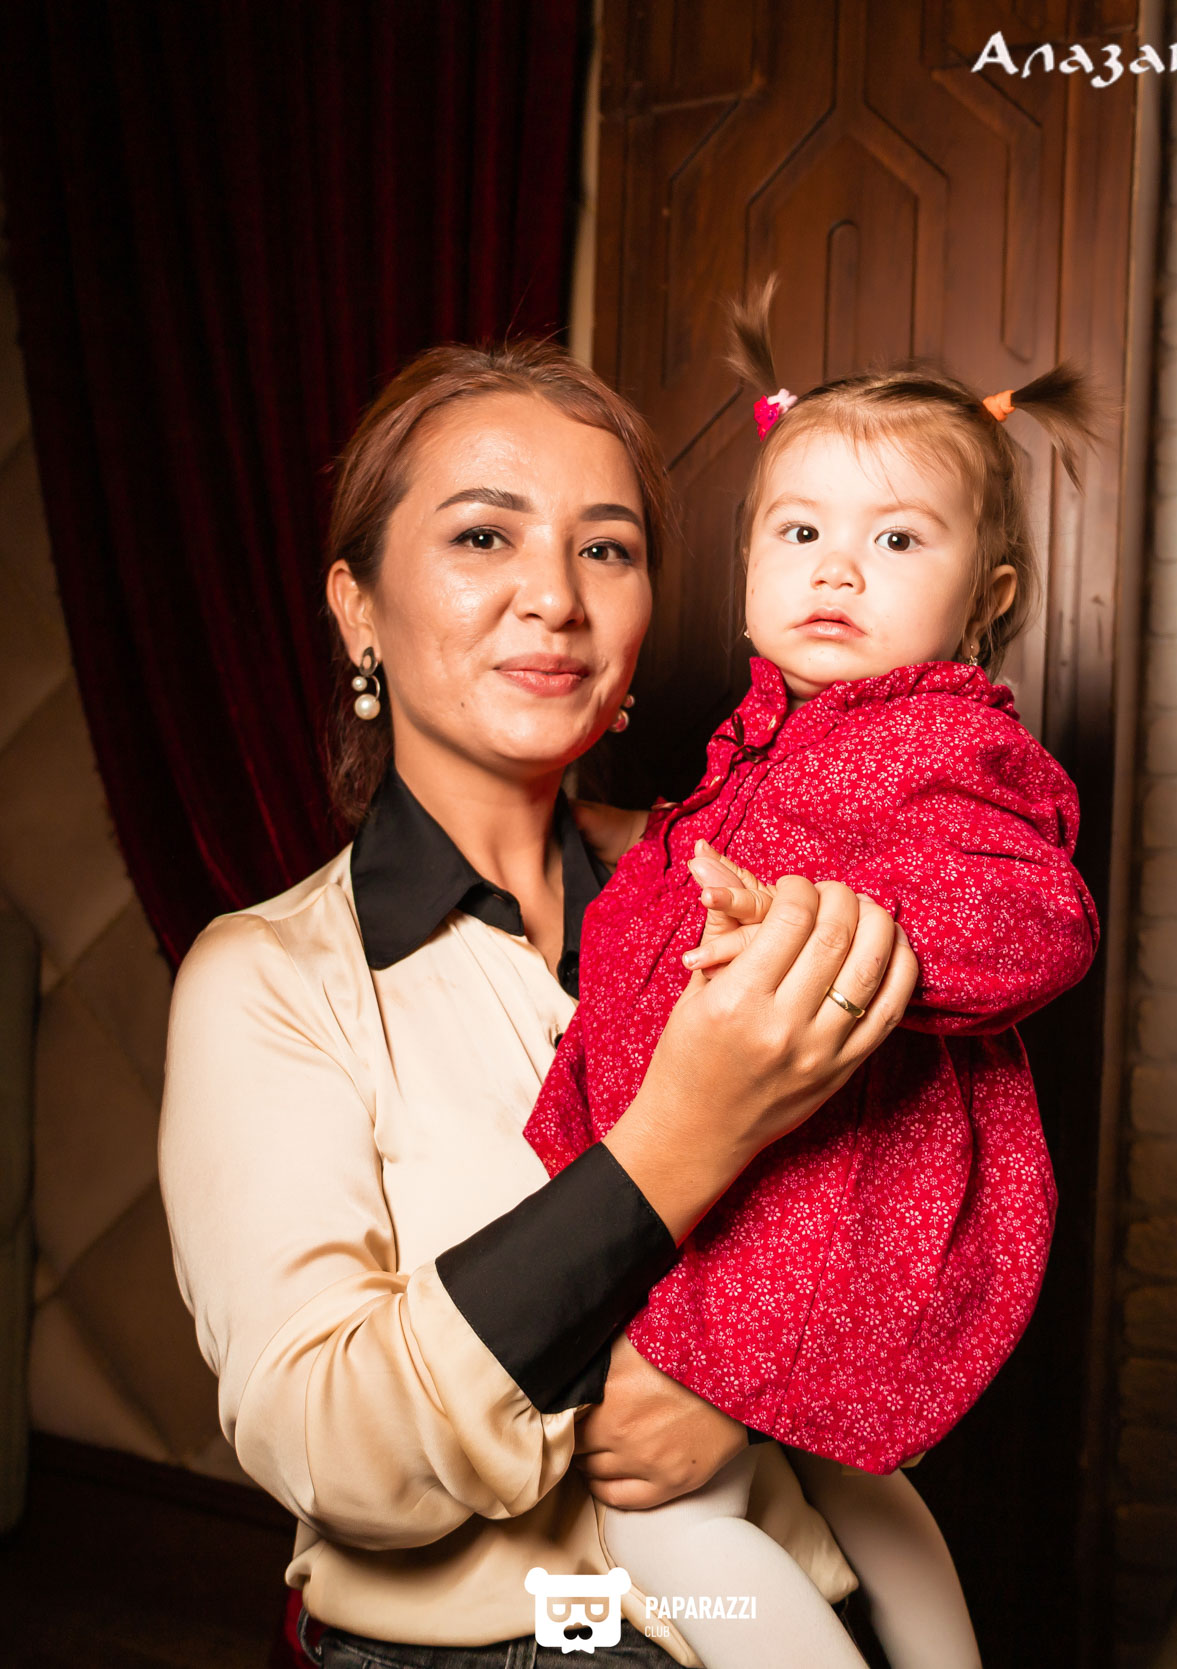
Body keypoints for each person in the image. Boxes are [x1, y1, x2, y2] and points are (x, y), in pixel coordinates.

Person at [157, 338, 923, 1669]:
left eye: (606, 548)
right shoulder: (270, 979)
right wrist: (679, 1141)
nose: (556, 599)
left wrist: (739, 1396)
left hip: (804, 1606)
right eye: (482, 536)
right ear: (357, 607)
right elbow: (332, 1446)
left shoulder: (740, 890)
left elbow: (913, 1219)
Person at [522, 282, 1104, 1668]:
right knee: (845, 1467)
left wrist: (837, 925)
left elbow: (1041, 917)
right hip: (771, 1191)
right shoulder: (764, 746)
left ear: (987, 600)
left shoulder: (944, 741)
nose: (838, 570)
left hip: (831, 1201)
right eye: (800, 533)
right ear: (747, 568)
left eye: (896, 539)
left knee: (669, 1528)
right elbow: (696, 896)